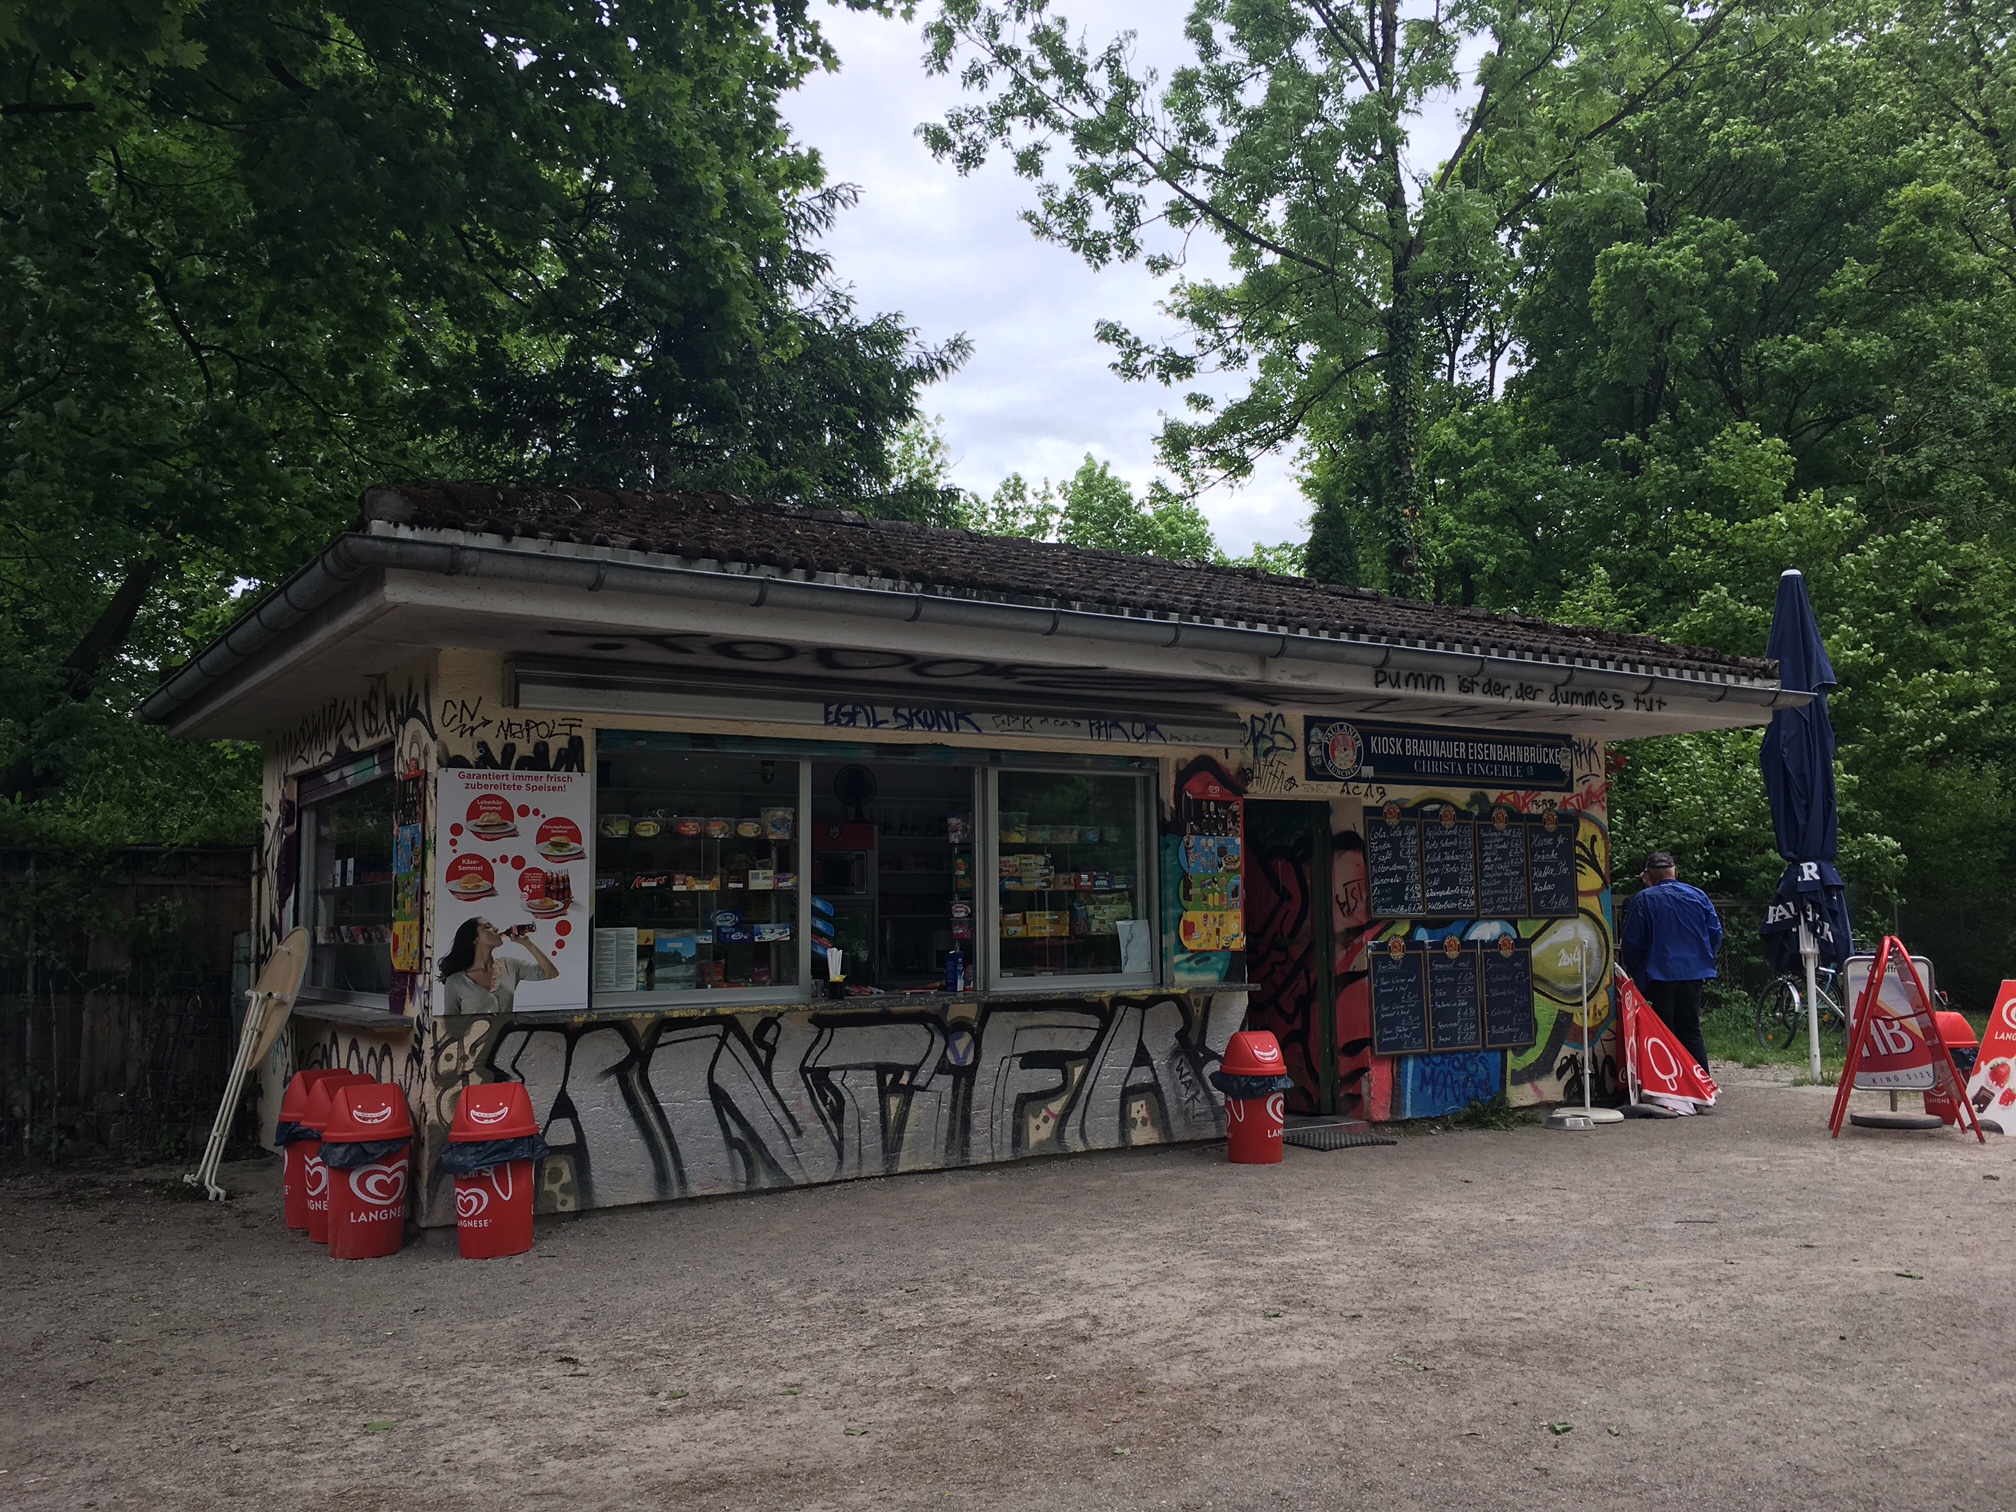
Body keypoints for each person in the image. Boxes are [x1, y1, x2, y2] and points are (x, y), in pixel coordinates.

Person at [1619, 851, 1722, 1075]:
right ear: (1675, 872)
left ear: (1648, 877)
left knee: (1664, 1032)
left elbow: (1631, 942)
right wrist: (1703, 957)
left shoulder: (1644, 899)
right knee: (1691, 1030)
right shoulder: (1698, 895)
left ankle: (1672, 1088)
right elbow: (1715, 933)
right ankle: (1702, 1085)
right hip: (1694, 973)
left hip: (1659, 974)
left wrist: (1637, 971)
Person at [439, 916, 559, 1013]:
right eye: (488, 927)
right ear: (474, 939)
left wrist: (527, 943)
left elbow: (551, 973)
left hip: (507, 1041)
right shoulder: (455, 981)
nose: (496, 929)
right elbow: (450, 1024)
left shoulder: (510, 965)